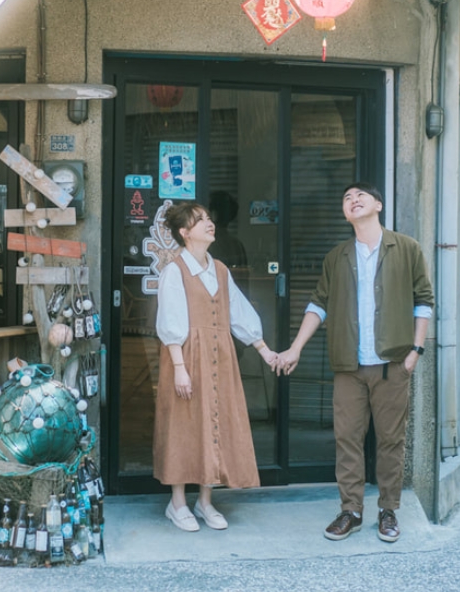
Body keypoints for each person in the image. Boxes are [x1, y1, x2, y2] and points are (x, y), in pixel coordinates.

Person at [277, 182, 433, 543]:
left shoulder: (406, 248)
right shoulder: (337, 257)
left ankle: (389, 510)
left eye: (360, 195)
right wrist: (296, 347)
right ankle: (351, 510)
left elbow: (423, 300)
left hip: (392, 364)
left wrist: (415, 352)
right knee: (347, 439)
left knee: (391, 440)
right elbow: (318, 304)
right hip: (349, 366)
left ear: (378, 204)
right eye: (346, 197)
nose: (353, 200)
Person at [154, 200, 280, 532]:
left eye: (209, 218)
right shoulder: (175, 270)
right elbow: (170, 322)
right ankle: (177, 503)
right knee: (184, 425)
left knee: (216, 424)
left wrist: (264, 350)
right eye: (201, 220)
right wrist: (179, 367)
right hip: (186, 355)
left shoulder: (220, 270)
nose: (210, 223)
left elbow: (238, 313)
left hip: (220, 358)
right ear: (185, 233)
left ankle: (205, 501)